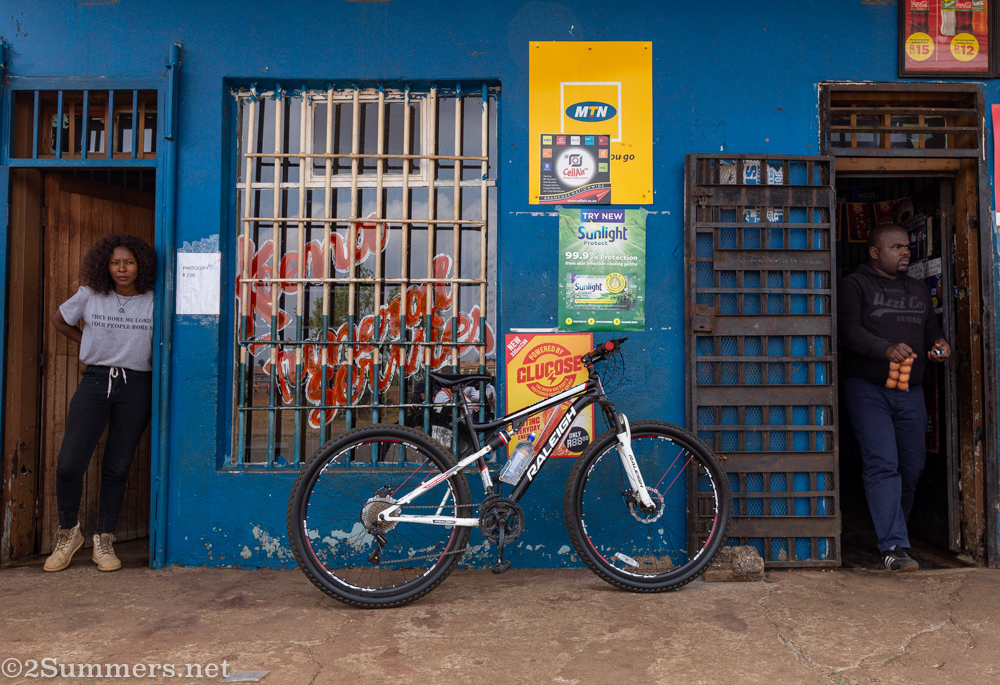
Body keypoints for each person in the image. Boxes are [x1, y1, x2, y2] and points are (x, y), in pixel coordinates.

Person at [838, 223, 950, 572]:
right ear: (874, 252)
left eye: (906, 247)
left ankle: (891, 531)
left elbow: (932, 333)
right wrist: (885, 348)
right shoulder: (854, 285)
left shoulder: (918, 291)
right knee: (882, 463)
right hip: (867, 389)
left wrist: (940, 348)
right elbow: (849, 332)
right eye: (896, 247)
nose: (905, 252)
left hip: (910, 392)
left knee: (912, 466)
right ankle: (893, 546)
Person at [43, 234, 156, 572]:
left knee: (117, 467)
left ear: (141, 266)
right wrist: (86, 342)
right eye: (115, 263)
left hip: (137, 386)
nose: (122, 268)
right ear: (106, 266)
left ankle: (104, 539)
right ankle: (68, 534)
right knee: (69, 463)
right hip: (95, 381)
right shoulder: (91, 296)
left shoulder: (153, 300)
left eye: (129, 262)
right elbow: (60, 320)